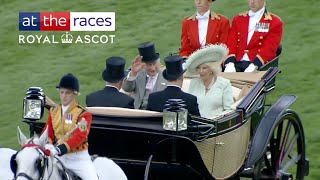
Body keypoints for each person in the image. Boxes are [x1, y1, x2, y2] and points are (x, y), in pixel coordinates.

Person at [43, 73, 98, 180]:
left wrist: (61, 148)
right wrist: (48, 144)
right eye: (62, 92)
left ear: (75, 93)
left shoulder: (83, 114)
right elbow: (47, 131)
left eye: (67, 93)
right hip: (58, 157)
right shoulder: (53, 111)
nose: (64, 96)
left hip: (78, 159)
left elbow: (80, 136)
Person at [224, 0, 283, 72]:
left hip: (258, 65)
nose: (252, 2)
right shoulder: (238, 19)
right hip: (236, 63)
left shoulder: (274, 22)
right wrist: (229, 62)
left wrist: (255, 65)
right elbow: (231, 42)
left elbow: (269, 48)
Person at [185, 44, 233, 118]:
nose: (201, 71)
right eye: (198, 68)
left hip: (216, 125)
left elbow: (229, 109)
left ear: (212, 69)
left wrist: (216, 119)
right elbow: (189, 106)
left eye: (204, 68)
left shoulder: (224, 83)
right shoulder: (194, 83)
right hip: (196, 124)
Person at [122, 42, 167, 109]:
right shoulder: (138, 73)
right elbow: (127, 89)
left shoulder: (167, 76)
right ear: (142, 65)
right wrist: (133, 73)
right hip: (136, 112)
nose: (152, 68)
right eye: (148, 65)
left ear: (159, 62)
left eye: (154, 64)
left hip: (156, 113)